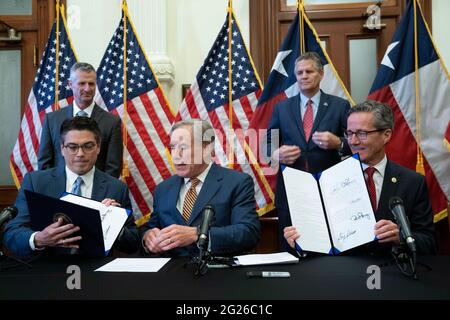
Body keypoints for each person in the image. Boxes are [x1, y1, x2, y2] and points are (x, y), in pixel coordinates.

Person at [284, 100, 436, 255]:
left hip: (394, 272)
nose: (353, 141)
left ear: (386, 135)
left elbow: (429, 241)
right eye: (349, 133)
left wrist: (401, 237)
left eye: (362, 134)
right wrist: (303, 243)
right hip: (343, 274)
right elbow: (322, 242)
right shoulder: (327, 180)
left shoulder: (413, 182)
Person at [4, 117, 139, 258]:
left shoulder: (116, 188)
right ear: (62, 148)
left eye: (88, 146)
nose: (80, 154)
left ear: (98, 147)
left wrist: (113, 224)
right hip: (46, 271)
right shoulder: (36, 182)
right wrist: (38, 239)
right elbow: (12, 233)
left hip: (96, 272)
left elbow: (133, 243)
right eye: (73, 147)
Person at [266, 52, 351, 248]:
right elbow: (268, 142)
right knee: (291, 246)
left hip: (329, 189)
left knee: (329, 246)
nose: (303, 76)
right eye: (299, 72)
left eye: (309, 71)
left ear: (321, 74)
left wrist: (338, 143)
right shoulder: (282, 107)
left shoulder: (340, 106)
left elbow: (357, 142)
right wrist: (275, 154)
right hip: (291, 190)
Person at [141, 119, 260, 257]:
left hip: (216, 272)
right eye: (172, 147)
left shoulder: (237, 183)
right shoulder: (162, 189)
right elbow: (152, 227)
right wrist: (147, 237)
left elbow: (248, 233)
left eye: (183, 147)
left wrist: (198, 234)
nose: (175, 155)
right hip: (171, 273)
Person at [38, 62, 123, 178]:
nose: (87, 89)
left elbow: (113, 167)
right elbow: (44, 163)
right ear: (70, 84)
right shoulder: (52, 120)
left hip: (96, 193)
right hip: (58, 193)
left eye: (91, 84)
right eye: (82, 83)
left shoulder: (112, 122)